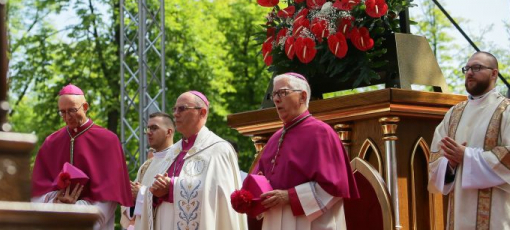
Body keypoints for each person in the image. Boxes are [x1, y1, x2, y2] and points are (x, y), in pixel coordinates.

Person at [428, 51, 510, 229]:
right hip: (460, 215)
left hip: (500, 216)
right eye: (466, 68)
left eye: (477, 67)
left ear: (494, 74)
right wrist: (450, 165)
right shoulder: (453, 115)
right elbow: (435, 160)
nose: (469, 72)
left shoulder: (508, 110)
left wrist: (466, 156)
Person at [251, 73, 358, 229]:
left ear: (302, 96)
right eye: (273, 94)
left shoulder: (321, 133)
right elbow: (259, 180)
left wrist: (290, 196)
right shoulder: (275, 138)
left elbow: (334, 188)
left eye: (283, 92)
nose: (276, 99)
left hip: (310, 222)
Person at [138, 91, 248, 230]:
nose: (176, 114)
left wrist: (172, 187)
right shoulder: (172, 152)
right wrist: (153, 192)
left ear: (202, 112)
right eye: (175, 109)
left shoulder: (218, 149)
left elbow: (220, 197)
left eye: (182, 108)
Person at [31, 84, 132, 230]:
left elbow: (109, 198)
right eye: (62, 112)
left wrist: (75, 210)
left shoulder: (108, 140)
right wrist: (56, 203)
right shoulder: (51, 143)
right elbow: (36, 192)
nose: (67, 117)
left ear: (85, 107)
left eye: (72, 110)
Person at [121, 112, 175, 230]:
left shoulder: (177, 161)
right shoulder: (146, 165)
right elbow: (131, 207)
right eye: (148, 128)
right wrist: (131, 194)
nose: (148, 132)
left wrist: (141, 193)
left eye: (154, 128)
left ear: (169, 132)